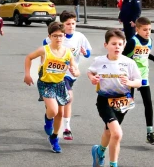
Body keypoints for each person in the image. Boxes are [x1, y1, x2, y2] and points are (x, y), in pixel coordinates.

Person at [88, 29, 142, 167]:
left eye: (120, 44)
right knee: (116, 134)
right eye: (113, 44)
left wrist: (129, 83)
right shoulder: (99, 61)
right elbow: (91, 71)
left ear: (124, 45)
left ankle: (99, 151)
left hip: (123, 101)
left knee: (109, 130)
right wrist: (93, 78)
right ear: (106, 45)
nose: (117, 47)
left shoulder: (129, 63)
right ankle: (113, 164)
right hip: (104, 100)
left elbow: (139, 82)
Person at [24, 22, 80, 153]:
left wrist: (74, 71)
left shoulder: (67, 53)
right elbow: (29, 57)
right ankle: (48, 120)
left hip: (59, 84)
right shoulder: (45, 50)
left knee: (60, 113)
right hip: (45, 83)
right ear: (49, 36)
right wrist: (27, 74)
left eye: (60, 36)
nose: (58, 38)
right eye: (55, 36)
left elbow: (77, 71)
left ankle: (54, 138)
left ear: (64, 36)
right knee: (54, 111)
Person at [42, 11, 92, 140]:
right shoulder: (59, 36)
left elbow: (88, 53)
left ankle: (53, 115)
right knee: (68, 98)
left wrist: (85, 52)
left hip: (71, 73)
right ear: (62, 25)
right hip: (57, 74)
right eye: (68, 24)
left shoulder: (80, 37)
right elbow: (45, 44)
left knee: (63, 101)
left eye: (73, 23)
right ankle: (66, 128)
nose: (71, 26)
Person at [122, 17, 154, 145]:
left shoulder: (150, 41)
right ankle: (114, 126)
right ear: (137, 29)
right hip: (131, 77)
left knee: (148, 103)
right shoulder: (132, 42)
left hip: (143, 77)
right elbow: (123, 56)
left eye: (149, 29)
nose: (148, 32)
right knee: (127, 104)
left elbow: (147, 53)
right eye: (145, 30)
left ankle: (150, 133)